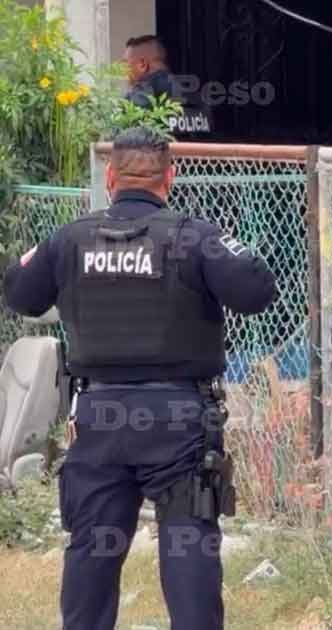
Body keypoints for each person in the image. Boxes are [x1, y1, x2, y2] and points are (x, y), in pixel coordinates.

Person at [2, 127, 278, 630]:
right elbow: (258, 292)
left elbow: (22, 296)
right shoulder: (193, 235)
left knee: (91, 549)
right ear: (169, 178)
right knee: (188, 548)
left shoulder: (70, 239)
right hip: (178, 419)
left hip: (99, 419)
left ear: (110, 176)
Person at [123, 35, 214, 139]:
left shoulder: (140, 96)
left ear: (142, 65)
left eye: (125, 64)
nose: (122, 71)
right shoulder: (197, 98)